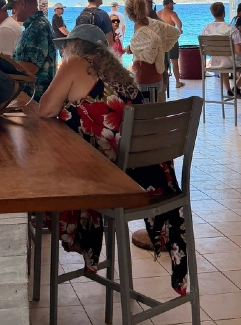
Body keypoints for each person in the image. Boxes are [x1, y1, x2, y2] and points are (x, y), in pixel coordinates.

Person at [38, 24, 187, 294]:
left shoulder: (75, 63)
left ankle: (42, 235)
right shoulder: (119, 72)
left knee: (43, 171)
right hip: (150, 174)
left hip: (110, 177)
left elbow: (45, 109)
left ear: (74, 47)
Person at [3, 0, 56, 100]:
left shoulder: (37, 27)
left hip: (35, 97)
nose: (12, 11)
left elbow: (31, 67)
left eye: (13, 7)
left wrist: (2, 69)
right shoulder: (37, 24)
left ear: (22, 3)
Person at [125, 0, 180, 103]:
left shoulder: (144, 27)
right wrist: (162, 49)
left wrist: (153, 52)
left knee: (148, 110)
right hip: (158, 75)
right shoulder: (153, 22)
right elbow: (175, 33)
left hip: (146, 77)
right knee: (158, 108)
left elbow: (154, 42)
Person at [201, 1, 241, 100]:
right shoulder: (232, 29)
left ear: (212, 13)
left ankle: (228, 90)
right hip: (232, 62)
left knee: (223, 62)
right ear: (224, 13)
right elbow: (238, 50)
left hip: (215, 62)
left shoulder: (206, 29)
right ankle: (237, 86)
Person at [157, 0, 185, 90]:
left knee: (162, 62)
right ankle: (177, 82)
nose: (173, 6)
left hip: (160, 40)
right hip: (171, 40)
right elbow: (179, 23)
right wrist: (179, 30)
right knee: (174, 61)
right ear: (169, 4)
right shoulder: (171, 13)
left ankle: (162, 83)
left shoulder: (157, 13)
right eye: (172, 4)